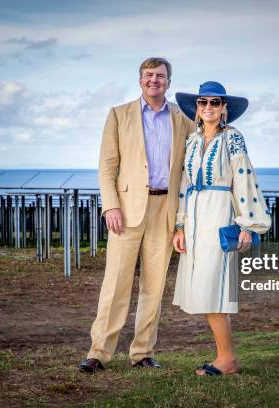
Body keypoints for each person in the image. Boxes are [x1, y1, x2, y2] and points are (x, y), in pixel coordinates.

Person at [78, 57, 194, 372]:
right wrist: (111, 205)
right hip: (126, 211)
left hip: (165, 209)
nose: (154, 80)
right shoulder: (118, 115)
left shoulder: (183, 118)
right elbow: (107, 166)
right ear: (139, 80)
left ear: (169, 82)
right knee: (116, 282)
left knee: (154, 287)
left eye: (160, 76)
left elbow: (194, 159)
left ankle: (142, 353)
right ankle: (98, 353)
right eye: (148, 75)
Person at [172, 81, 271, 376]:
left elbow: (244, 179)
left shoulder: (233, 139)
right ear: (197, 108)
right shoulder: (192, 140)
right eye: (203, 102)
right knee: (206, 291)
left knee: (213, 288)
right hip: (194, 219)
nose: (208, 108)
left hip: (220, 215)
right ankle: (224, 357)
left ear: (224, 108)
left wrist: (247, 224)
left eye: (215, 102)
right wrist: (179, 225)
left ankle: (227, 360)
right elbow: (184, 184)